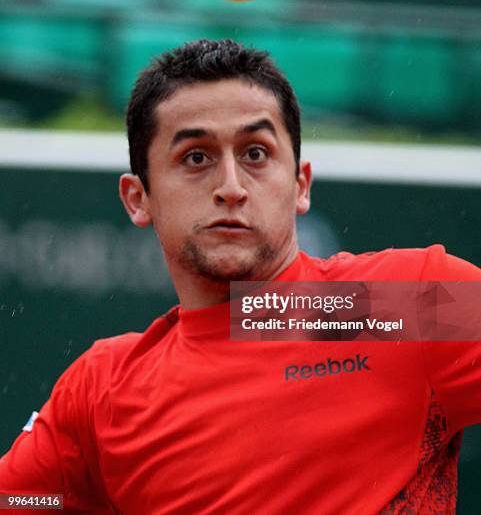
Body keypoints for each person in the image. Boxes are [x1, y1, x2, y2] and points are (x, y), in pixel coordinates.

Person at [1, 38, 480, 514]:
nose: (230, 187)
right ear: (137, 197)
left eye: (255, 154)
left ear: (300, 185)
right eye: (196, 157)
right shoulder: (102, 389)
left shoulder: (396, 307)